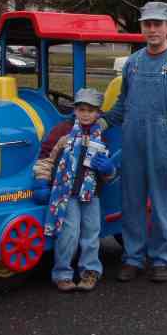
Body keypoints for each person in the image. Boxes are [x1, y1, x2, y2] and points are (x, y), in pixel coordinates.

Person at [102, 1, 167, 283]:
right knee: (131, 202)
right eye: (148, 24)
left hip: (165, 144)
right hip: (132, 141)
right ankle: (133, 258)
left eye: (158, 24)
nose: (153, 29)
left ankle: (160, 260)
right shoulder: (133, 63)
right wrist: (103, 122)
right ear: (142, 27)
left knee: (162, 204)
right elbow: (123, 103)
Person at [38, 88, 116, 292]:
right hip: (67, 192)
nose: (86, 114)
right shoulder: (62, 132)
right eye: (82, 109)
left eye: (91, 110)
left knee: (92, 233)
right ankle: (62, 273)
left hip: (91, 193)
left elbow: (107, 174)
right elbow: (47, 157)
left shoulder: (100, 137)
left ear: (98, 113)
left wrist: (108, 169)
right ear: (75, 110)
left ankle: (90, 271)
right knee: (69, 233)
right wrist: (42, 181)